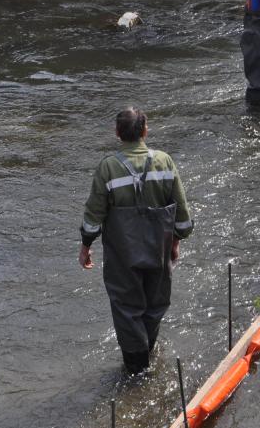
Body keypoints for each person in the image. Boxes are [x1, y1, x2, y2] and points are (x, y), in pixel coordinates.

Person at [78, 108, 194, 374]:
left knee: (126, 307)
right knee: (156, 304)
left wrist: (86, 245)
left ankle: (136, 369)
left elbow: (94, 214)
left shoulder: (108, 167)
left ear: (117, 133)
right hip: (159, 250)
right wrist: (176, 241)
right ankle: (149, 355)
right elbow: (182, 216)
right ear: (145, 131)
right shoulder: (164, 162)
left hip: (122, 255)